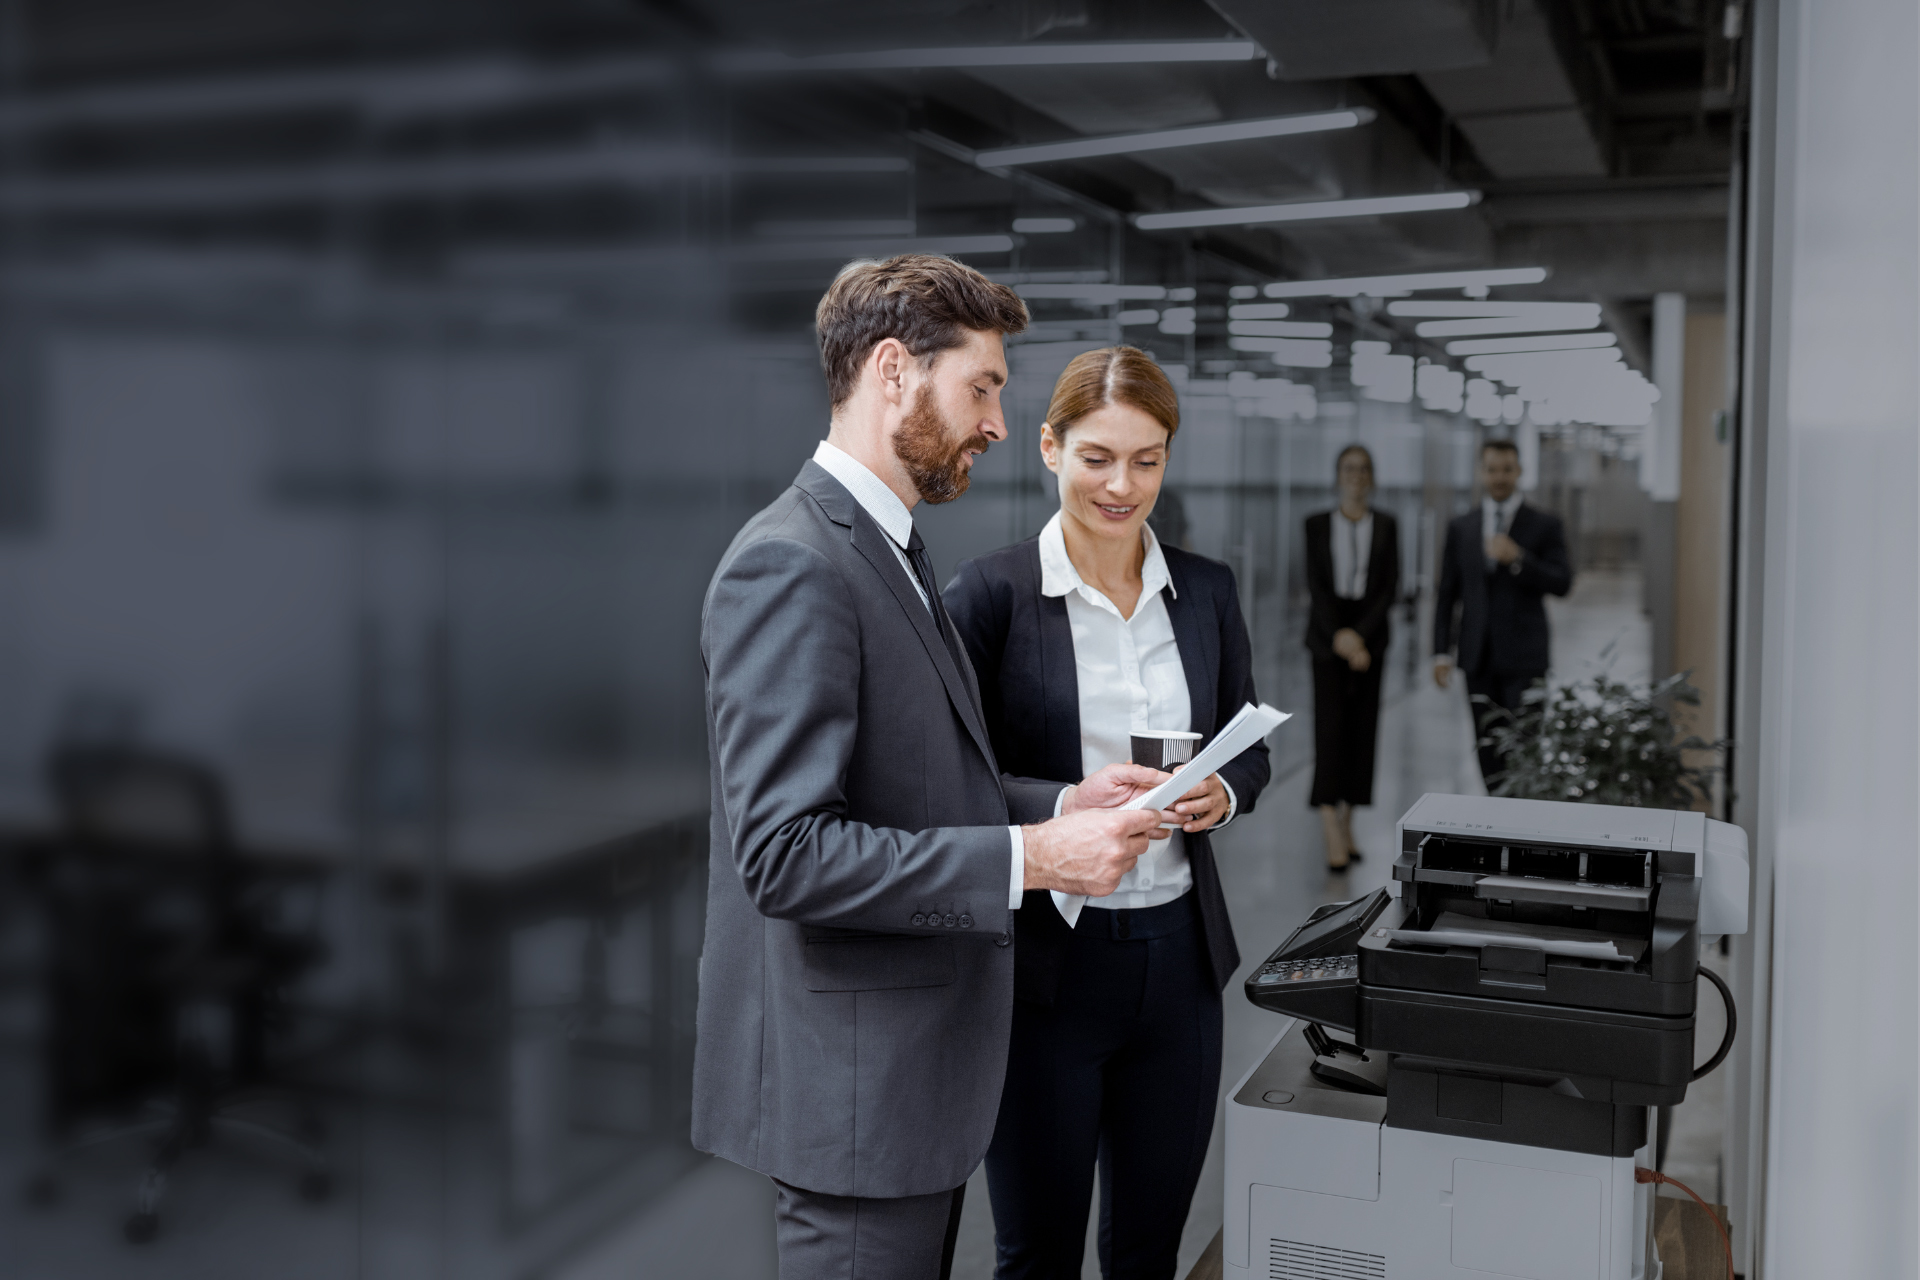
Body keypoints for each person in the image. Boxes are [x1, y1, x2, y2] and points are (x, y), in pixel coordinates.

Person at [694, 258, 1180, 1280]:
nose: (999, 423)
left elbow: (913, 785)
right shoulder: (793, 560)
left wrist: (1060, 803)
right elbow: (785, 855)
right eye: (984, 386)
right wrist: (1032, 856)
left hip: (913, 1087)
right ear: (892, 372)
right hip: (859, 1103)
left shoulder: (892, 548)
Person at [944, 347, 1271, 1280]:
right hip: (1048, 971)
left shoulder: (1206, 592)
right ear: (1048, 448)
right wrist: (1060, 806)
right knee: (1037, 1252)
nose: (1121, 485)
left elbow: (1249, 743)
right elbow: (952, 781)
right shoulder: (991, 596)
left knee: (1147, 1249)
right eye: (1096, 457)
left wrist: (1227, 790)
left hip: (1179, 968)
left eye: (1146, 460)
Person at [1432, 438, 1574, 787]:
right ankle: (1495, 828)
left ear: (1519, 472)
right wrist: (1440, 652)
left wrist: (1519, 560)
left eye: (1507, 470)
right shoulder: (1462, 527)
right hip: (1478, 660)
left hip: (1525, 660)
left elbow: (1562, 582)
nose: (1499, 477)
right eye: (1492, 469)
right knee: (1487, 751)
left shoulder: (1544, 524)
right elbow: (1447, 593)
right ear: (1482, 472)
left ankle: (1521, 829)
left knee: (1524, 752)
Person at [1303, 444, 1400, 870]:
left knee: (1363, 731)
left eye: (1363, 469)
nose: (1356, 476)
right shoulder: (1316, 524)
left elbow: (1388, 588)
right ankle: (1329, 827)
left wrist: (1359, 637)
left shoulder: (1388, 525)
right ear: (1338, 476)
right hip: (1327, 636)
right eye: (1349, 469)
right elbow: (1315, 586)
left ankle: (1348, 821)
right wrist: (1340, 636)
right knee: (1330, 731)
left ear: (1372, 477)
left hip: (1370, 635)